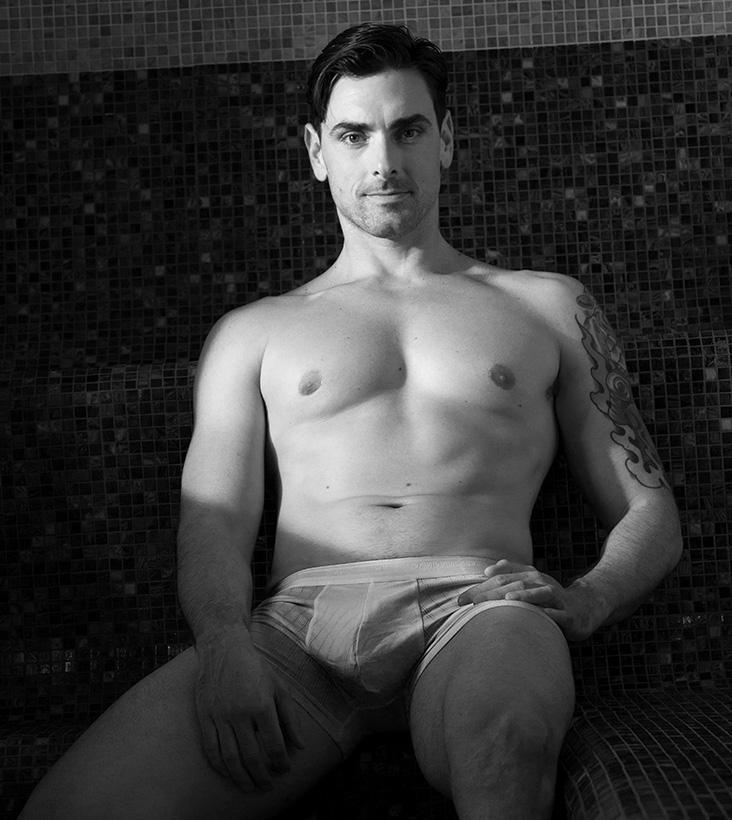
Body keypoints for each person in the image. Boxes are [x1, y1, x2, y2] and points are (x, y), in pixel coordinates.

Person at [22, 22, 682, 820]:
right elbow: (215, 520)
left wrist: (590, 599)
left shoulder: (547, 306)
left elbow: (650, 510)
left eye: (409, 130)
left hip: (480, 611)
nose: (383, 160)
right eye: (354, 134)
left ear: (446, 140)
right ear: (316, 151)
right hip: (298, 634)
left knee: (506, 743)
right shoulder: (253, 332)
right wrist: (224, 646)